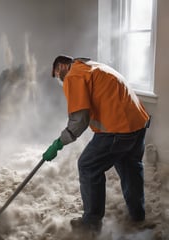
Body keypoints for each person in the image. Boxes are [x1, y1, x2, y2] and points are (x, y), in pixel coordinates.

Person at [42, 55, 150, 233]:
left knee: (88, 165)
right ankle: (138, 215)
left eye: (57, 75)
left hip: (117, 129)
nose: (60, 81)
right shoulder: (92, 67)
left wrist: (59, 143)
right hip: (138, 124)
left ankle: (91, 224)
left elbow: (80, 120)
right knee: (130, 166)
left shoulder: (74, 75)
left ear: (61, 66)